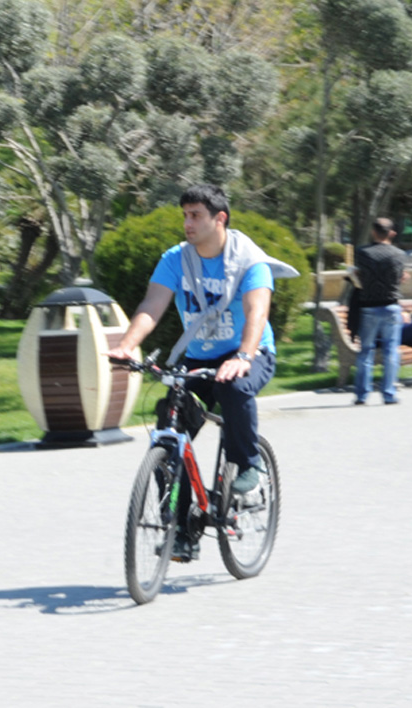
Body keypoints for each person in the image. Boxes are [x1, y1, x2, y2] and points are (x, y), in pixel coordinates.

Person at [106, 184, 299, 558]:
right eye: (185, 215)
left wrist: (243, 355)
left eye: (195, 215)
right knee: (169, 422)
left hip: (251, 352)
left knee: (233, 389)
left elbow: (258, 312)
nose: (187, 223)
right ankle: (181, 528)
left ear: (219, 219)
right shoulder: (175, 259)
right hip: (199, 359)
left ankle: (249, 465)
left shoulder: (249, 261)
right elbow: (152, 304)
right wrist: (128, 345)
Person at [352, 218, 408, 405]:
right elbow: (400, 278)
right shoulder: (399, 254)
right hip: (391, 305)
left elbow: (360, 275)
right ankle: (389, 393)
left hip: (368, 306)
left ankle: (361, 395)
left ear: (373, 232)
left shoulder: (361, 252)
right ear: (391, 233)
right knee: (391, 351)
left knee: (365, 351)